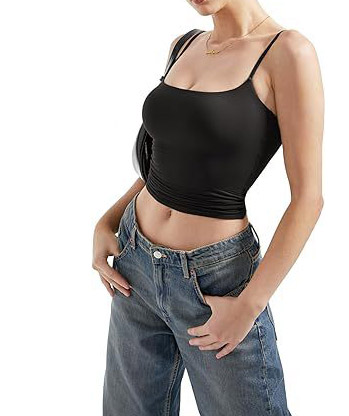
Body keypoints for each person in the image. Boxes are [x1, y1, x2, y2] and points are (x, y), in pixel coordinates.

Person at [92, 0, 324, 414]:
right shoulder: (184, 45)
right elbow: (162, 163)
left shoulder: (288, 52)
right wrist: (106, 222)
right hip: (134, 266)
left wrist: (249, 305)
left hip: (215, 282)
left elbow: (308, 199)